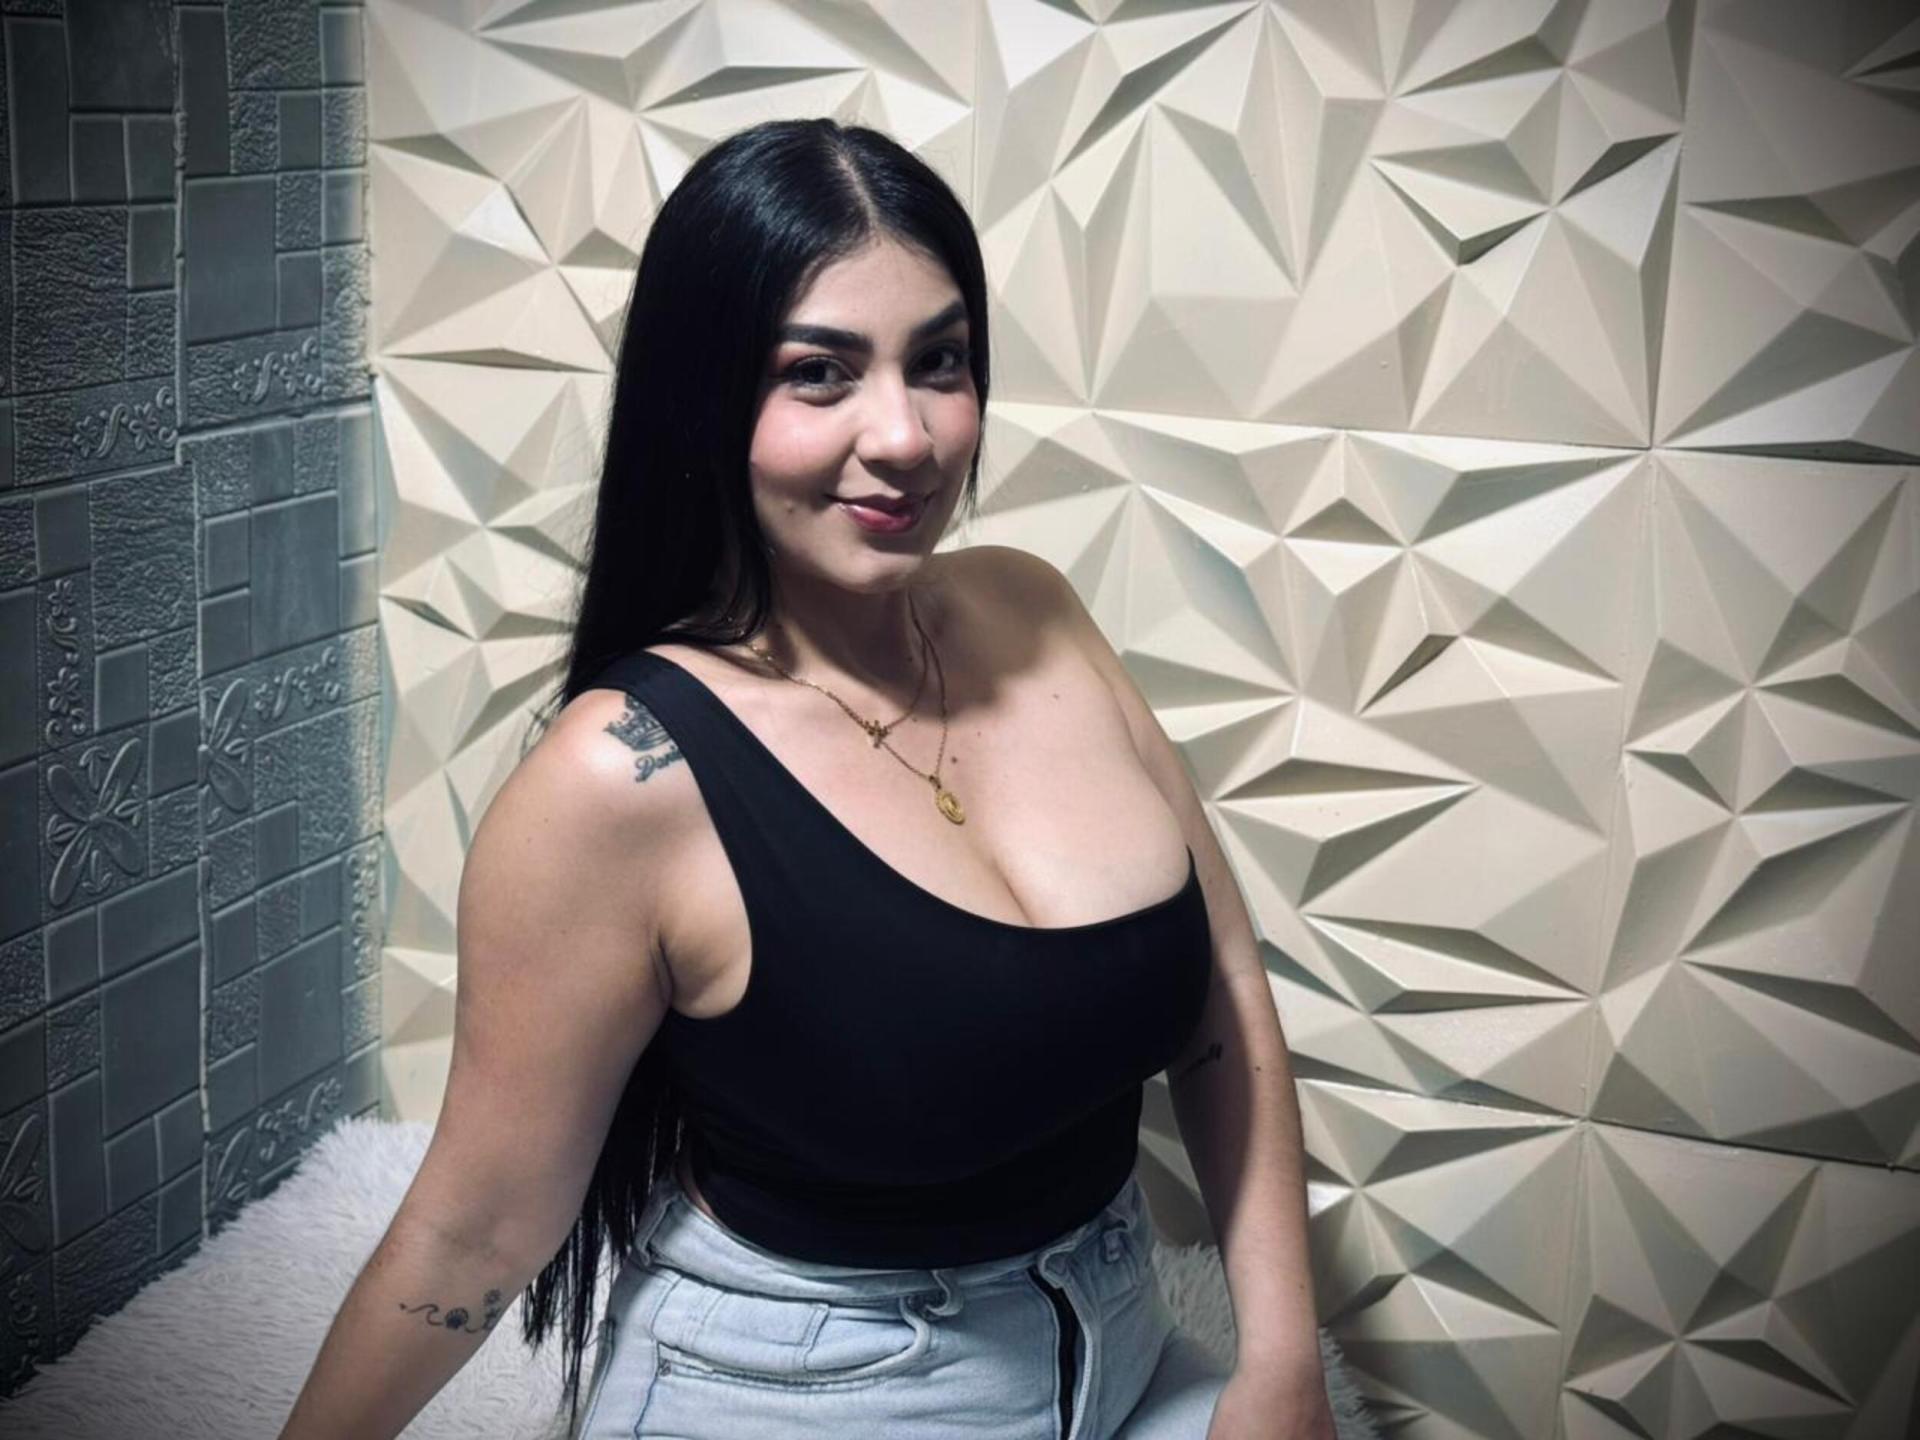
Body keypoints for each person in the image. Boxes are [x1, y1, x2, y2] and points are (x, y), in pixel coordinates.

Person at [278, 118, 1335, 1440]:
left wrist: (1282, 1365)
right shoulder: (620, 778)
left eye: (939, 362)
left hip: (1117, 1341)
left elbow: (1222, 1000)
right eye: (818, 374)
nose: (904, 435)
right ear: (706, 399)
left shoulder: (1036, 611)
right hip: (810, 1391)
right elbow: (474, 1227)